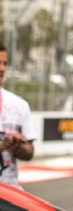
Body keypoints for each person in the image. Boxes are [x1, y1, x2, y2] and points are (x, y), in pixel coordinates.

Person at [0, 41, 37, 189]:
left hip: (10, 195)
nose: (2, 68)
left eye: (5, 63)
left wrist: (17, 146)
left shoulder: (19, 104)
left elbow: (29, 153)